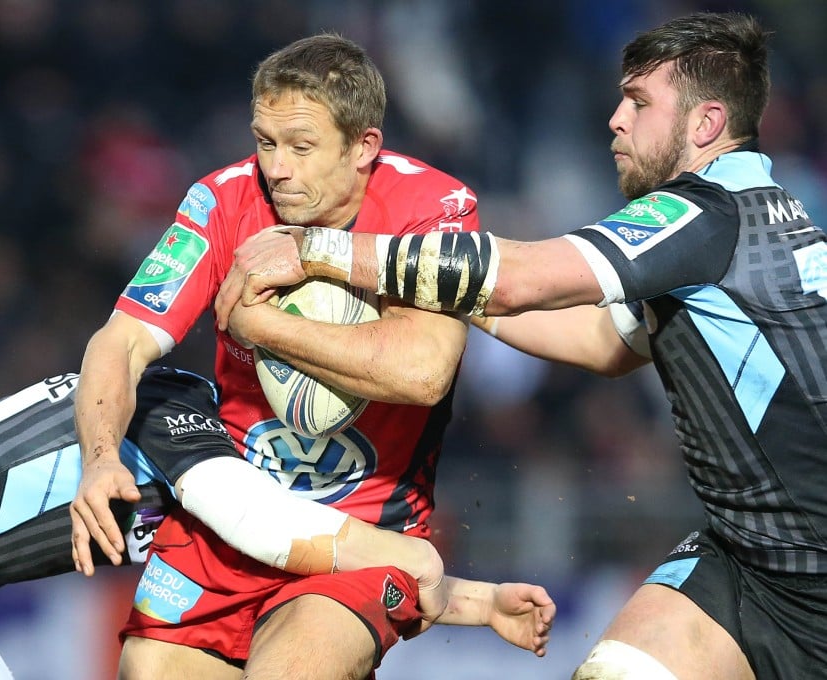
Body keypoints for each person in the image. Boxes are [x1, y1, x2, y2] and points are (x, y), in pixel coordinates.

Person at [217, 11, 827, 680]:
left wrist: (319, 249)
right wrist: (441, 290)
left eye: (640, 102)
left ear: (706, 124)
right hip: (746, 565)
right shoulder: (756, 213)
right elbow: (602, 343)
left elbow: (522, 281)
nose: (616, 119)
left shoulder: (701, 213)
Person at [69, 33, 500, 680]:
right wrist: (100, 457)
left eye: (301, 147)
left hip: (366, 528)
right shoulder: (220, 200)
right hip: (233, 519)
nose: (277, 167)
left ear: (364, 148)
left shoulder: (431, 209)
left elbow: (423, 372)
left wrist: (261, 324)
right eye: (266, 142)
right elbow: (121, 340)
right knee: (147, 669)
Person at [0, 365, 554, 680]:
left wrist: (475, 601)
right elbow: (264, 523)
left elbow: (288, 549)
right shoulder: (181, 420)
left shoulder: (161, 405)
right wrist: (405, 547)